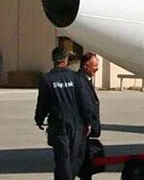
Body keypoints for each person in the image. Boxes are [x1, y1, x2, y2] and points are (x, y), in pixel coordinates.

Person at [34, 46, 94, 180]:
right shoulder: (76, 78)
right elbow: (85, 102)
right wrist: (88, 121)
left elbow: (43, 103)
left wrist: (39, 119)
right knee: (74, 158)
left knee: (63, 158)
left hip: (59, 125)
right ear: (66, 60)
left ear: (53, 60)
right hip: (76, 125)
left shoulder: (47, 79)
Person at [76, 52, 101, 180]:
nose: (97, 69)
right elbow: (85, 105)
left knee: (86, 163)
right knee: (83, 162)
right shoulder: (80, 81)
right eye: (94, 67)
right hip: (83, 129)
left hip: (85, 129)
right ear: (86, 66)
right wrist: (89, 123)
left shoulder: (85, 79)